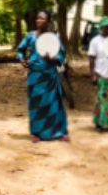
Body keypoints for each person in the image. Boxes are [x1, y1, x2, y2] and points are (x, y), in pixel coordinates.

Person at [16, 10, 70, 142]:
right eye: (37, 18)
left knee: (53, 103)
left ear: (48, 22)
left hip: (50, 75)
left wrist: (54, 58)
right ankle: (36, 133)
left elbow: (62, 54)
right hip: (35, 74)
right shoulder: (31, 36)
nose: (38, 21)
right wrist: (22, 60)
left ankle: (58, 132)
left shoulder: (53, 38)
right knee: (36, 103)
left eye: (42, 18)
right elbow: (20, 50)